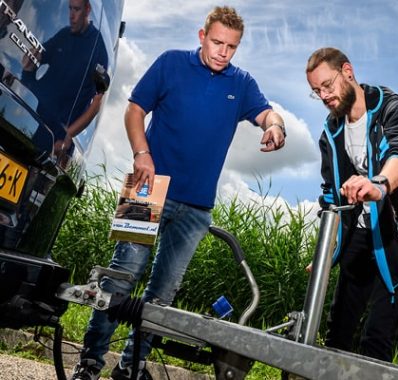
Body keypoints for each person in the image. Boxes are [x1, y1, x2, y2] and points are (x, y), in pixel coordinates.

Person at [70, 6, 286, 380]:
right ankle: (90, 362)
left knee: (163, 296)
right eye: (217, 42)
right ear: (202, 36)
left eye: (231, 47)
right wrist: (142, 154)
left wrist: (276, 126)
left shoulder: (241, 82)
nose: (223, 52)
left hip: (197, 207)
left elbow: (267, 113)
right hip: (146, 188)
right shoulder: (171, 63)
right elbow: (135, 110)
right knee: (120, 277)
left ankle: (131, 367)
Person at [305, 47, 398, 361]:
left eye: (327, 85)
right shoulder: (331, 131)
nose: (324, 95)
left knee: (376, 335)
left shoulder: (393, 107)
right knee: (338, 331)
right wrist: (325, 251)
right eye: (316, 91)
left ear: (347, 71)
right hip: (359, 234)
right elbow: (330, 195)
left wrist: (380, 183)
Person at [21, 0, 108, 166]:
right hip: (31, 113)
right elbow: (37, 57)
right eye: (70, 9)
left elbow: (97, 103)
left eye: (76, 9)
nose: (71, 15)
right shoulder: (64, 34)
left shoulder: (99, 49)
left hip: (56, 135)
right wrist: (27, 68)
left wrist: (69, 135)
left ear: (87, 10)